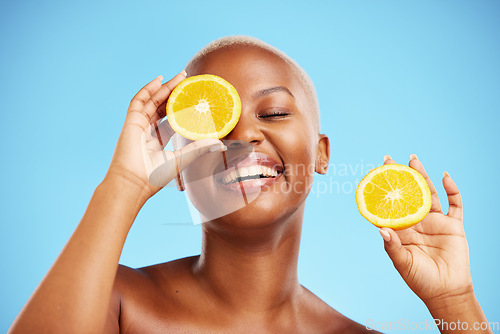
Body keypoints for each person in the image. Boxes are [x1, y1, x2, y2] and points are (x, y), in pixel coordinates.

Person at [9, 36, 492, 333]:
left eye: (275, 112)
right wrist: (123, 184)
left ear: (322, 154)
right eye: (213, 124)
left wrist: (455, 304)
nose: (242, 135)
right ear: (177, 166)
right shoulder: (114, 303)